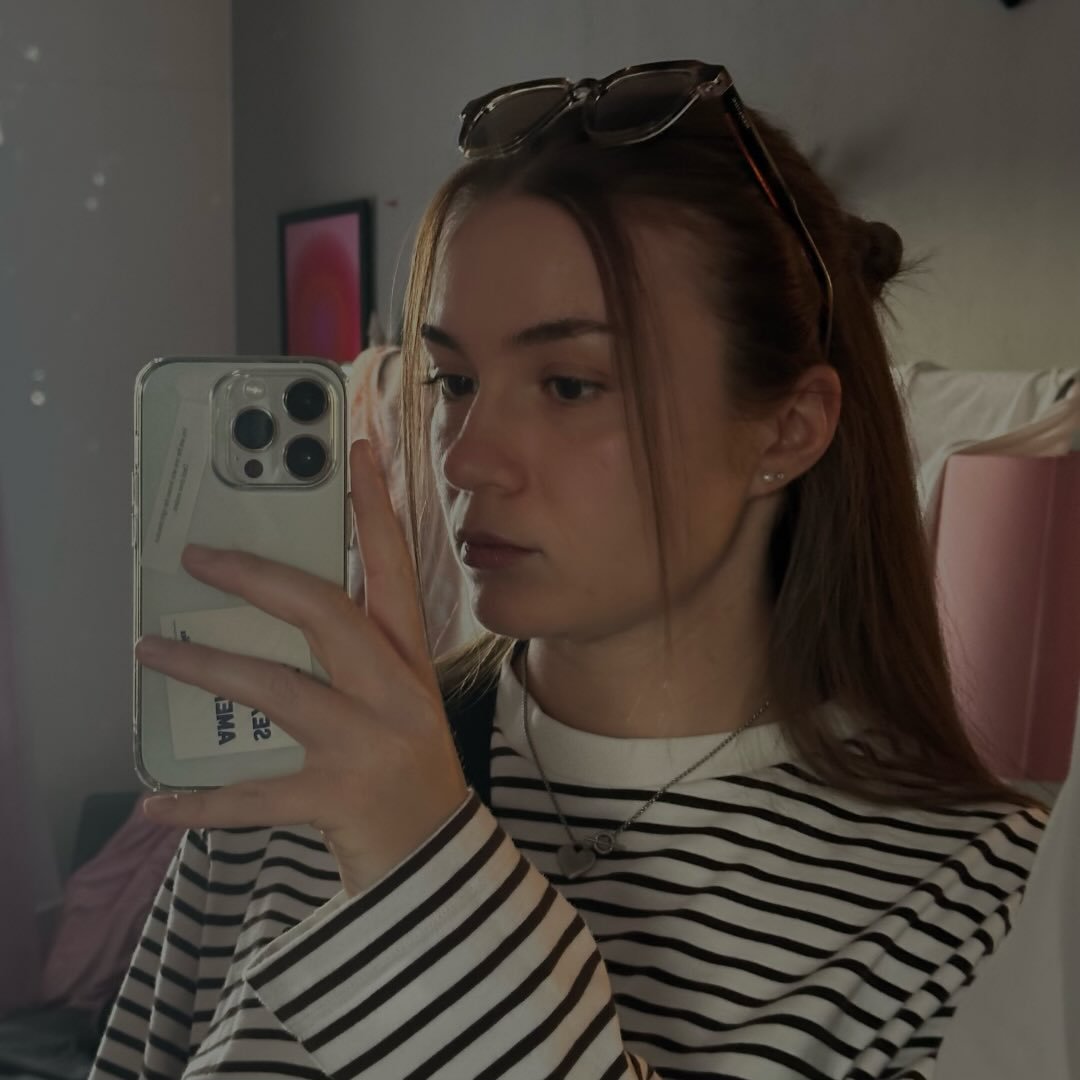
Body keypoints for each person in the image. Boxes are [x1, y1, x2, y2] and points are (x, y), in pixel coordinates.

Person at [90, 61, 1049, 1079]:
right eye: (453, 379)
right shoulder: (297, 784)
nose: (465, 458)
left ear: (787, 427)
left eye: (569, 385)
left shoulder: (977, 903)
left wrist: (419, 865)